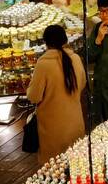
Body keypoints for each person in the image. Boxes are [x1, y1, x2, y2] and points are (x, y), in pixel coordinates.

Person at [25, 25, 86, 163]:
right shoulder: (75, 58)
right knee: (76, 164)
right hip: (75, 123)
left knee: (54, 169)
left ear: (46, 42)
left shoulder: (44, 64)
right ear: (65, 40)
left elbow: (34, 96)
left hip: (53, 129)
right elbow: (82, 84)